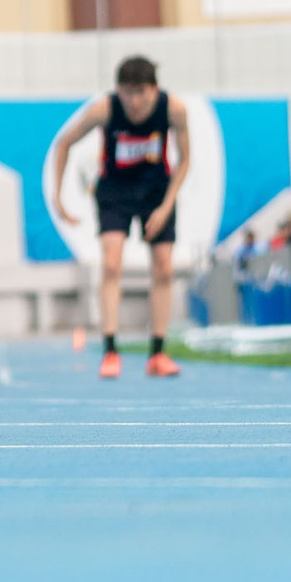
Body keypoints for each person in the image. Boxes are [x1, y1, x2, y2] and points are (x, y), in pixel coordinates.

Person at [48, 55, 192, 377]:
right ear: (118, 91)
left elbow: (185, 160)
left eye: (141, 92)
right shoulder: (104, 110)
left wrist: (167, 205)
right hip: (114, 191)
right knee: (111, 264)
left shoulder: (174, 110)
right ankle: (110, 350)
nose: (135, 101)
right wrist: (58, 197)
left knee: (164, 268)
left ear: (155, 90)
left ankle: (157, 353)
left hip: (156, 191)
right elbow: (64, 144)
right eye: (128, 92)